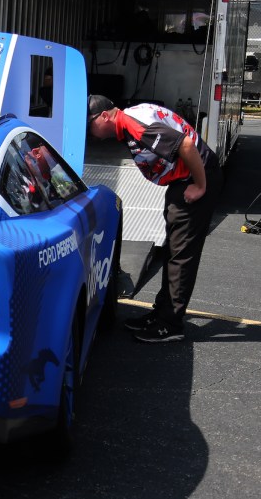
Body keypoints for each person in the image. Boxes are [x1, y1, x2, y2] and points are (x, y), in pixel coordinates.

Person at [86, 94, 222, 343]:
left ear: (105, 115)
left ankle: (170, 324)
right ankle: (161, 313)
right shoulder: (132, 116)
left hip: (194, 179)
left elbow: (186, 146)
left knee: (181, 256)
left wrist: (200, 185)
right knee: (172, 250)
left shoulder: (135, 125)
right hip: (184, 179)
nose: (91, 134)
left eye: (90, 124)